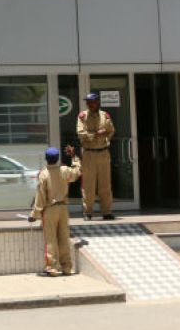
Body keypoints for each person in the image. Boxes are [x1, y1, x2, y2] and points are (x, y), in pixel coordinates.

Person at [28, 146, 82, 277]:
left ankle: (52, 268)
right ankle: (67, 267)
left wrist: (34, 215)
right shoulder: (64, 170)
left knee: (51, 239)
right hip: (63, 208)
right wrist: (74, 157)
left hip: (50, 210)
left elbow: (40, 198)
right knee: (64, 237)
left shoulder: (44, 174)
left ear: (46, 159)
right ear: (57, 158)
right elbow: (77, 171)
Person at [76, 92, 117, 220]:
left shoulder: (105, 116)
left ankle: (106, 211)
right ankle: (88, 212)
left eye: (92, 102)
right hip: (89, 153)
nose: (90, 104)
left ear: (97, 102)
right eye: (88, 102)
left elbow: (111, 131)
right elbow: (80, 133)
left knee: (105, 184)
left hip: (103, 153)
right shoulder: (82, 116)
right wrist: (95, 135)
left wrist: (105, 138)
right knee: (89, 185)